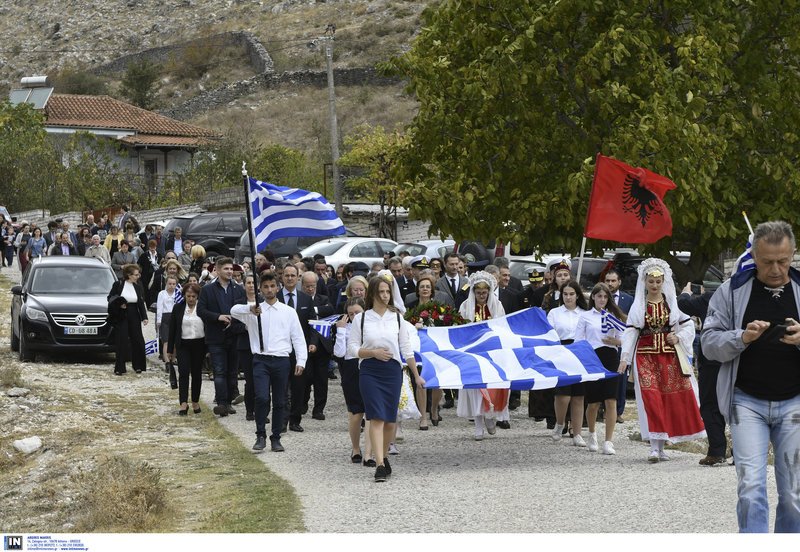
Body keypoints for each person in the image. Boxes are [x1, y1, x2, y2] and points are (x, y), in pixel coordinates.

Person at [702, 220, 800, 533]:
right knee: (750, 487)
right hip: (747, 403)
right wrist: (741, 337)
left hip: (795, 403)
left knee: (795, 493)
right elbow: (708, 344)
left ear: (793, 254)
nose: (776, 269)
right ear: (754, 256)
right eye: (768, 261)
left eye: (783, 261)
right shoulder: (730, 292)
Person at [619, 258, 705, 463]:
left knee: (670, 398)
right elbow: (631, 331)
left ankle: (663, 445)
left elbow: (688, 325)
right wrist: (625, 358)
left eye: (658, 282)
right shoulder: (639, 305)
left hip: (669, 356)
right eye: (651, 282)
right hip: (645, 356)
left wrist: (679, 337)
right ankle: (654, 448)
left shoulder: (671, 303)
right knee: (651, 398)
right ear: (645, 282)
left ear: (663, 282)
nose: (655, 285)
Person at [347, 275, 423, 482]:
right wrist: (372, 353)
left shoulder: (397, 318)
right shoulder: (362, 319)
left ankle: (385, 456)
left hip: (392, 370)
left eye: (387, 291)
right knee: (376, 417)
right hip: (370, 370)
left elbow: (406, 349)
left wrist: (416, 375)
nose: (385, 295)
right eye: (381, 291)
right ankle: (379, 464)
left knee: (390, 419)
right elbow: (352, 348)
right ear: (372, 293)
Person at [231, 272, 307, 453]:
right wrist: (250, 309)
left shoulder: (288, 312)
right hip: (260, 360)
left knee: (280, 400)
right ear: (260, 289)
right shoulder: (255, 310)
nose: (269, 289)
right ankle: (260, 434)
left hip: (281, 359)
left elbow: (297, 337)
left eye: (272, 286)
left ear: (278, 287)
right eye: (265, 286)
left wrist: (301, 360)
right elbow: (233, 310)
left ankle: (276, 437)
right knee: (262, 397)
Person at [677, 281, 729, 466]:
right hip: (737, 356)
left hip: (711, 359)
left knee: (710, 404)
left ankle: (716, 452)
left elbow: (683, 305)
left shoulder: (709, 298)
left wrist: (685, 293)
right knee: (738, 404)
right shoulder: (741, 298)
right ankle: (740, 452)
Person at [457, 271, 509, 440]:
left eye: (484, 293)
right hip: (472, 353)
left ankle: (490, 416)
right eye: (478, 293)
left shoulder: (497, 305)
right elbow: (459, 328)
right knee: (475, 389)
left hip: (491, 352)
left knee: (492, 387)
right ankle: (478, 424)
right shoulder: (465, 306)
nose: (481, 296)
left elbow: (502, 327)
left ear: (489, 292)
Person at [574, 283, 625, 454]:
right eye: (599, 296)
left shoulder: (613, 317)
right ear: (593, 297)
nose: (602, 299)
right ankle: (592, 433)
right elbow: (578, 340)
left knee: (611, 400)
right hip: (593, 358)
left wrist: (615, 342)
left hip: (610, 358)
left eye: (605, 296)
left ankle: (609, 441)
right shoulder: (585, 317)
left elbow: (624, 338)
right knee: (594, 402)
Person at [198, 257, 247, 417]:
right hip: (216, 337)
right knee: (219, 371)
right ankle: (222, 403)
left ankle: (229, 401)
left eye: (231, 269)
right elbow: (201, 311)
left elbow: (243, 311)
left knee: (232, 372)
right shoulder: (207, 289)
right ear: (217, 271)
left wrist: (234, 320)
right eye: (226, 269)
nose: (230, 272)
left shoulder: (239, 290)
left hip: (234, 336)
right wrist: (218, 317)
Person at [548, 279, 589, 446]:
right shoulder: (554, 313)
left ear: (577, 295)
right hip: (562, 351)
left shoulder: (584, 314)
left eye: (571, 294)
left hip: (580, 351)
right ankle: (560, 423)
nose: (568, 297)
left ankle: (578, 432)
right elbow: (550, 334)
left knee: (578, 396)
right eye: (565, 294)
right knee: (563, 395)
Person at [334, 296, 374, 465]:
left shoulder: (372, 326)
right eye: (351, 314)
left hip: (370, 367)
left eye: (358, 312)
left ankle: (370, 453)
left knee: (372, 413)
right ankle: (356, 448)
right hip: (351, 370)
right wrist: (341, 330)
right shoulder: (346, 328)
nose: (354, 316)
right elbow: (339, 352)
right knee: (356, 413)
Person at [406, 273, 445, 430]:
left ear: (432, 289)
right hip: (417, 349)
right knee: (420, 382)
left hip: (435, 349)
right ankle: (423, 416)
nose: (425, 289)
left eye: (428, 286)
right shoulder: (411, 307)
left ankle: (434, 408)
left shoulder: (440, 308)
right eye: (422, 286)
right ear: (417, 290)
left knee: (437, 384)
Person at [301, 271, 335, 420]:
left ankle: (319, 409)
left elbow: (330, 310)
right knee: (305, 377)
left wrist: (312, 309)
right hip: (305, 343)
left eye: (312, 286)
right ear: (302, 286)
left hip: (322, 345)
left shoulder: (323, 298)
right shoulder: (299, 300)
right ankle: (302, 404)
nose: (310, 289)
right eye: (307, 286)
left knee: (321, 380)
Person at [167, 283, 205, 416]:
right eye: (188, 296)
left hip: (199, 344)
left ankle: (195, 400)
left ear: (197, 296)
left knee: (196, 373)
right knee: (183, 372)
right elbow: (172, 330)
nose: (191, 299)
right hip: (183, 344)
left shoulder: (202, 307)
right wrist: (170, 349)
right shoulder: (178, 308)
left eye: (193, 296)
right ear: (184, 295)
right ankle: (183, 402)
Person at [604, 267, 634, 422]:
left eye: (613, 281)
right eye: (607, 281)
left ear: (619, 282)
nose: (610, 283)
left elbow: (632, 321)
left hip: (622, 343)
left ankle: (619, 412)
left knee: (621, 378)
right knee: (604, 377)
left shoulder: (628, 299)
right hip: (604, 342)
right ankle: (603, 410)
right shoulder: (600, 298)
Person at [107, 264, 148, 375]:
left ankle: (138, 365)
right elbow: (110, 298)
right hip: (122, 314)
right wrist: (119, 304)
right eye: (135, 274)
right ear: (129, 275)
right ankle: (120, 367)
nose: (138, 276)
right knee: (122, 340)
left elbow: (140, 302)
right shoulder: (118, 284)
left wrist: (144, 317)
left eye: (138, 274)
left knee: (137, 340)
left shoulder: (138, 286)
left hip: (134, 313)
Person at [157, 275, 180, 389]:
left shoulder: (178, 294)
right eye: (169, 284)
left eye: (173, 284)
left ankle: (173, 359)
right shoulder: (162, 294)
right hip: (165, 317)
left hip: (175, 317)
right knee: (166, 341)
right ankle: (167, 362)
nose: (171, 286)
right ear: (166, 284)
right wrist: (158, 320)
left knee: (174, 341)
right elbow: (159, 307)